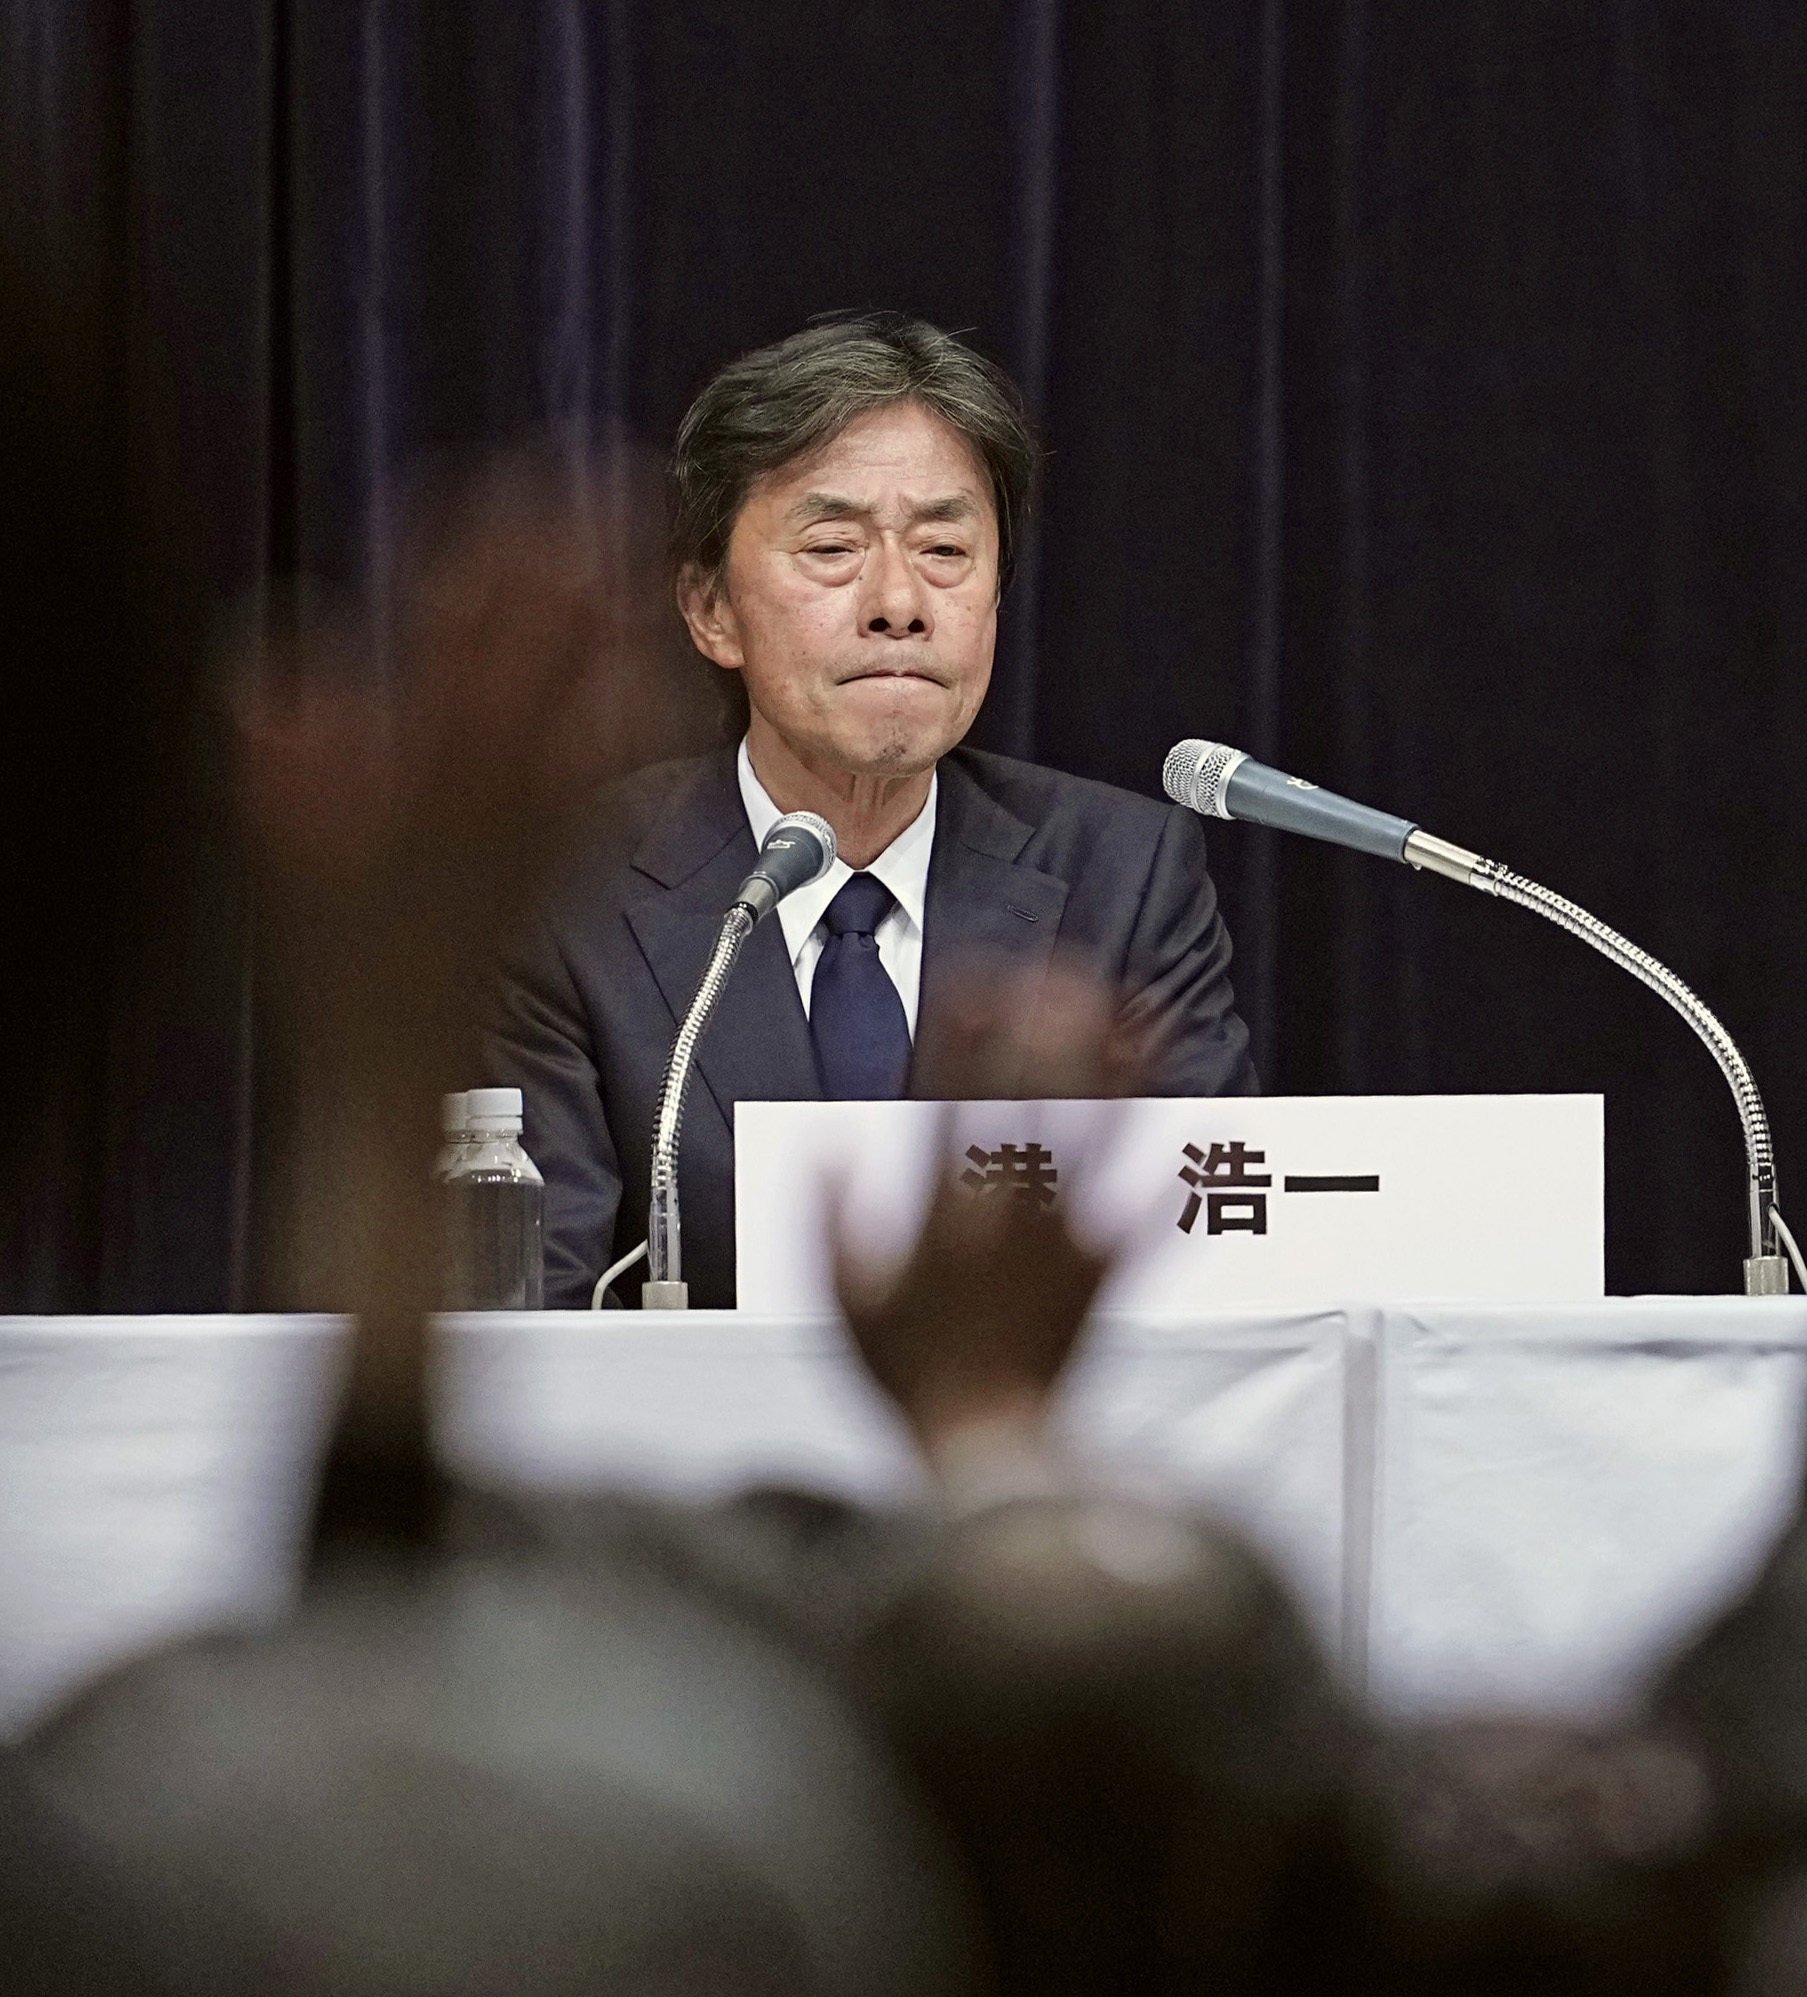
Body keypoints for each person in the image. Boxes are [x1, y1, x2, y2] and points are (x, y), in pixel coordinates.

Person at [494, 312, 1257, 1309]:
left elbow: (1209, 1274)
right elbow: (530, 1314)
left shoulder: (1125, 875)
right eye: (832, 548)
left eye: (945, 548)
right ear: (709, 608)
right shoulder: (570, 891)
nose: (899, 600)